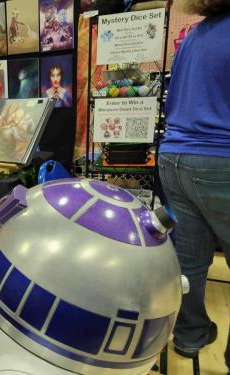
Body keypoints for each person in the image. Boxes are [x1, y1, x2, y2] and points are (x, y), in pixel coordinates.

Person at [157, 0, 230, 370]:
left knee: (189, 259)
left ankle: (190, 335)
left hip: (173, 156)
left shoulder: (195, 35)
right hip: (220, 157)